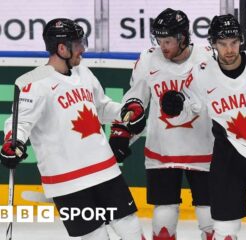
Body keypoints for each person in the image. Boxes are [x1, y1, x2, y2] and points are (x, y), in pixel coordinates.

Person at [0, 18, 145, 240]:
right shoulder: (33, 82)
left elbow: (102, 107)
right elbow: (19, 122)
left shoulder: (84, 72)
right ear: (61, 48)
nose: (82, 50)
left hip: (105, 170)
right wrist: (13, 143)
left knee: (131, 228)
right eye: (78, 44)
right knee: (95, 237)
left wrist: (125, 111)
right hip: (66, 181)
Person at [161, 14, 246, 240]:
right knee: (225, 230)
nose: (229, 49)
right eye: (223, 44)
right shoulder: (202, 73)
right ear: (213, 44)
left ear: (241, 40)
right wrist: (175, 108)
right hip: (227, 158)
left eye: (234, 42)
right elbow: (189, 110)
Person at [114, 8, 214, 240]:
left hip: (204, 148)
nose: (162, 46)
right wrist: (126, 125)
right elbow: (135, 96)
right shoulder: (149, 58)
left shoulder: (208, 56)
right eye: (159, 40)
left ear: (182, 37)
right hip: (162, 150)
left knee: (210, 216)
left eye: (167, 40)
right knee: (163, 217)